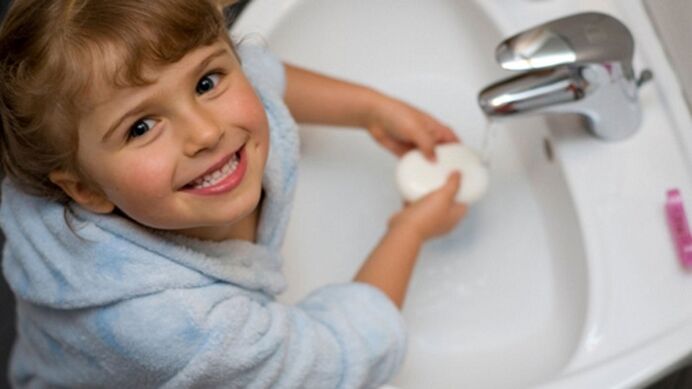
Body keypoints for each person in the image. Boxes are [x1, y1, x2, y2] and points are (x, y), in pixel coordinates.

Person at [0, 0, 468, 387]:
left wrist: (373, 110)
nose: (205, 131)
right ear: (84, 188)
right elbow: (336, 356)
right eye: (141, 127)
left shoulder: (182, 145)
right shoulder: (176, 328)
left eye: (206, 82)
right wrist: (409, 230)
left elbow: (263, 75)